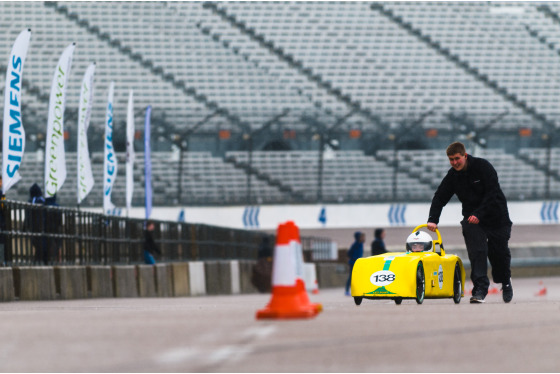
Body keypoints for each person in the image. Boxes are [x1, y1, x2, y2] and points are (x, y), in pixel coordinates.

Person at [427, 142, 513, 304]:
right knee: (477, 251)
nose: (454, 163)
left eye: (457, 159)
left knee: (498, 253)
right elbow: (439, 197)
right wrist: (433, 219)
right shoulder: (452, 176)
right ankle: (480, 289)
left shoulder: (483, 167)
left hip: (497, 217)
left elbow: (492, 193)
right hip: (473, 221)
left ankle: (506, 281)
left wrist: (479, 213)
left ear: (464, 156)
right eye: (451, 160)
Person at [26, 183, 47, 264]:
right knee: (41, 246)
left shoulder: (31, 201)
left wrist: (26, 226)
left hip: (34, 227)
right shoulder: (43, 201)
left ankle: (37, 261)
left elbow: (28, 216)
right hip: (43, 228)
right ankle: (40, 261)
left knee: (38, 245)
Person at [345, 231, 365, 296]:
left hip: (358, 262)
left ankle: (359, 289)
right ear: (358, 237)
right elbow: (349, 253)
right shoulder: (355, 244)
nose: (363, 238)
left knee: (359, 276)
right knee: (351, 276)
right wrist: (352, 259)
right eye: (361, 237)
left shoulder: (361, 244)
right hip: (353, 262)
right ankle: (347, 290)